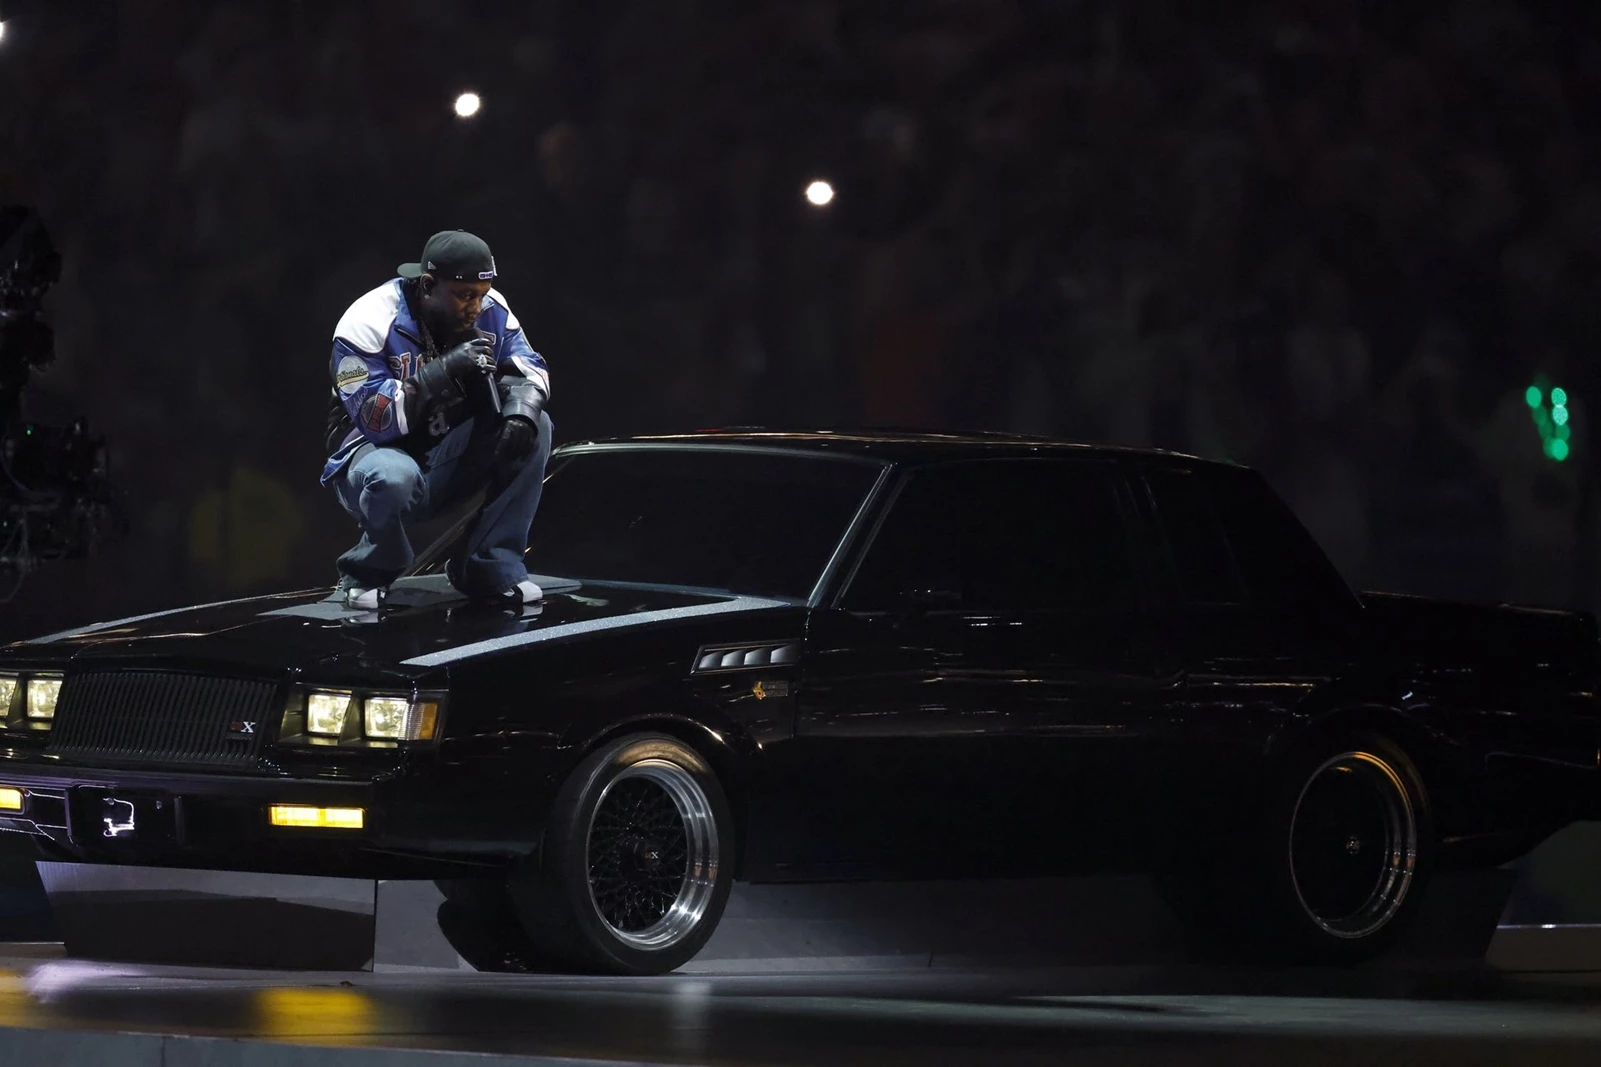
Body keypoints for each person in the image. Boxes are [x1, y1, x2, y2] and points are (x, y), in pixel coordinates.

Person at [321, 230, 552, 609]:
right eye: (464, 296)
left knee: (536, 427)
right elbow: (375, 419)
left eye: (480, 294)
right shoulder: (366, 321)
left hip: (443, 451)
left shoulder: (492, 306)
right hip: (373, 458)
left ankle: (490, 566)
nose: (476, 307)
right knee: (392, 475)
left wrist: (520, 412)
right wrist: (443, 370)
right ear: (428, 285)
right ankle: (368, 572)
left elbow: (532, 369)